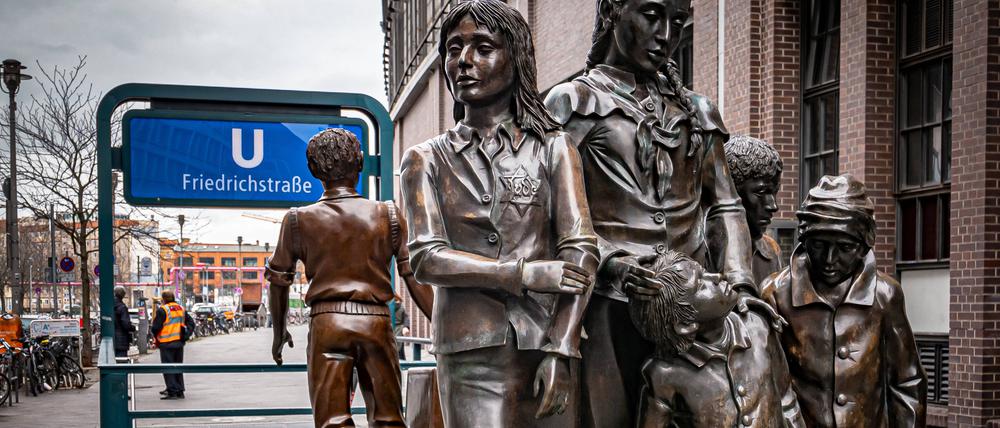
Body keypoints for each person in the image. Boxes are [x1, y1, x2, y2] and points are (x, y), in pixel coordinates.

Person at [544, 1, 766, 426]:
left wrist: (740, 283)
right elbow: (554, 213)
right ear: (612, 10)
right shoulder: (572, 102)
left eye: (678, 22)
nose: (666, 35)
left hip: (694, 310)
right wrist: (613, 264)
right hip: (609, 309)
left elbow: (725, 203)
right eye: (651, 16)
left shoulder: (697, 110)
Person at [400, 1, 599, 426]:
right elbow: (426, 257)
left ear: (516, 58)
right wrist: (522, 274)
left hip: (547, 343)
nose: (463, 61)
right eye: (454, 49)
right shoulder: (425, 159)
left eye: (483, 48)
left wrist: (563, 346)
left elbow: (581, 249)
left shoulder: (554, 147)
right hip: (470, 351)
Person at [266, 127, 434, 428]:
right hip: (376, 323)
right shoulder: (388, 214)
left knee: (333, 421)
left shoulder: (297, 220)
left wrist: (279, 332)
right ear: (360, 163)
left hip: (327, 323)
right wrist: (440, 322)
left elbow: (278, 282)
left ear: (313, 169)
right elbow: (413, 276)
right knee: (388, 419)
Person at [761, 174, 927, 427]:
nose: (829, 259)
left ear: (864, 245)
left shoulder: (884, 295)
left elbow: (906, 382)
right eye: (819, 245)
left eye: (845, 248)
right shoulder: (776, 294)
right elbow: (769, 381)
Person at [630, 250, 803, 427]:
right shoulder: (662, 375)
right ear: (684, 325)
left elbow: (787, 400)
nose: (716, 276)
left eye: (704, 271)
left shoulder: (759, 327)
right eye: (700, 285)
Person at [723, 134, 785, 285]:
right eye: (761, 192)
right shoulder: (701, 253)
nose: (773, 206)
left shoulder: (772, 251)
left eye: (774, 192)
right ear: (731, 192)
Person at [151, 290, 195, 399]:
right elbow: (191, 323)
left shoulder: (163, 310)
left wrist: (155, 336)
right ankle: (180, 390)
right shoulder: (180, 308)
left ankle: (172, 391)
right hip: (179, 342)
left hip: (166, 343)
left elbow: (156, 327)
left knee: (168, 367)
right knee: (178, 367)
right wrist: (186, 335)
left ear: (163, 299)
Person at [113, 286, 133, 360]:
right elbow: (126, 324)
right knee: (121, 361)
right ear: (123, 295)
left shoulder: (110, 305)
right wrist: (132, 327)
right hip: (121, 341)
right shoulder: (122, 307)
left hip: (111, 340)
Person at [391, 295, 410, 361]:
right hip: (399, 329)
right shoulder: (401, 306)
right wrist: (406, 327)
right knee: (400, 348)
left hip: (389, 328)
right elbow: (406, 317)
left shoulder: (387, 306)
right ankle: (402, 363)